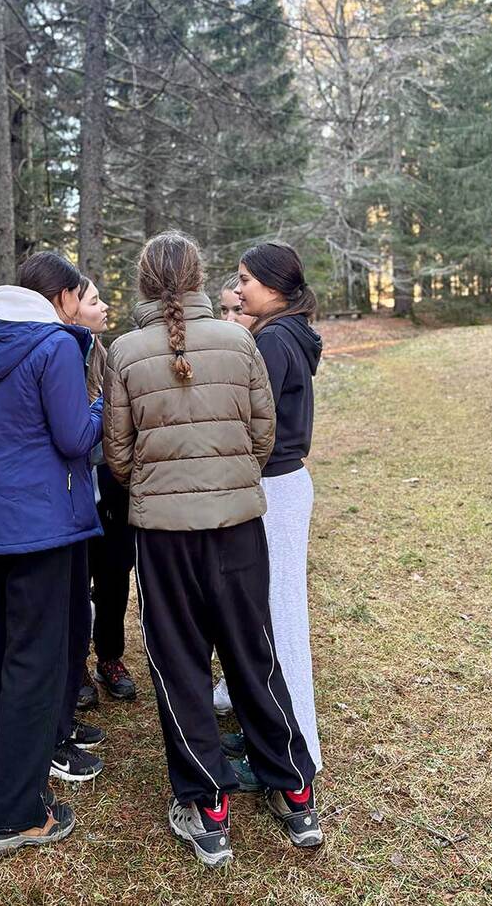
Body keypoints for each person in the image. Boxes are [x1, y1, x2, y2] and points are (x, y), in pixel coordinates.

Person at [103, 231, 322, 868]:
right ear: (199, 279)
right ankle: (294, 790)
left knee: (180, 662)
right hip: (237, 525)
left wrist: (158, 485)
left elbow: (118, 452)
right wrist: (226, 479)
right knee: (253, 652)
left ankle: (206, 804)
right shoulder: (240, 341)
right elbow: (263, 435)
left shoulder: (125, 352)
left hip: (164, 535)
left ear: (145, 282)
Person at [0, 251, 104, 857]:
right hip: (40, 526)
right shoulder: (56, 345)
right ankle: (17, 815)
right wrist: (103, 408)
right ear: (62, 298)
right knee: (34, 661)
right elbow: (75, 437)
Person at [222, 242, 323, 789]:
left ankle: (296, 750)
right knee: (266, 612)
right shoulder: (286, 332)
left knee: (280, 618)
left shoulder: (275, 340)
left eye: (245, 280)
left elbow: (250, 419)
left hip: (275, 487)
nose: (239, 290)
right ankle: (268, 729)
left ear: (274, 286)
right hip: (280, 484)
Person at [75, 276, 138, 706]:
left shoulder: (108, 355)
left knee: (115, 576)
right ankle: (75, 662)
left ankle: (110, 657)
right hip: (73, 490)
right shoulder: (57, 355)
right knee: (75, 582)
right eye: (95, 301)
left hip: (114, 488)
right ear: (69, 306)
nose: (105, 307)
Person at [213, 274, 256, 717]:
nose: (229, 318)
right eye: (222, 310)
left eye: (237, 310)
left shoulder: (257, 353)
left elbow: (263, 431)